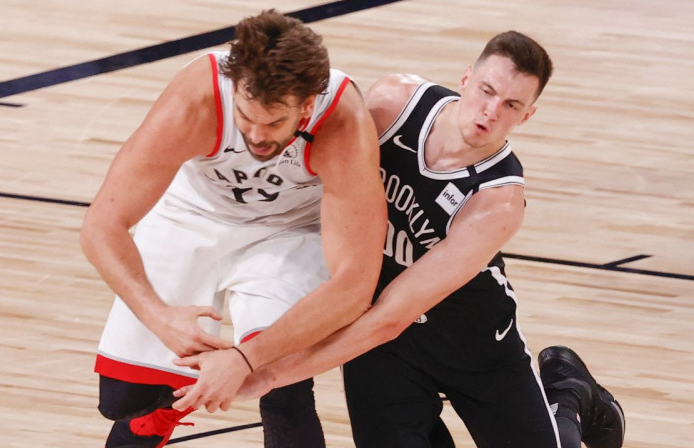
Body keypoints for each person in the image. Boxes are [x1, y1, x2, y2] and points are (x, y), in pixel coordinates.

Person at [176, 31, 625, 448]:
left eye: (510, 105)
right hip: (383, 348)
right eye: (487, 91)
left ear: (527, 115)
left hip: (471, 343)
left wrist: (266, 372)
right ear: (466, 79)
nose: (491, 111)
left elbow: (392, 315)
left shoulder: (498, 201)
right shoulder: (394, 103)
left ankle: (567, 391)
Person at [80, 9, 386, 448]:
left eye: (274, 122)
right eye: (246, 115)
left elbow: (355, 285)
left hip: (290, 229)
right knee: (127, 400)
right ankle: (163, 405)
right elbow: (100, 225)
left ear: (307, 105)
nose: (257, 136)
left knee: (281, 386)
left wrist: (246, 358)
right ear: (235, 86)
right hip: (192, 213)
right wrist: (159, 317)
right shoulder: (197, 100)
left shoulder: (344, 124)